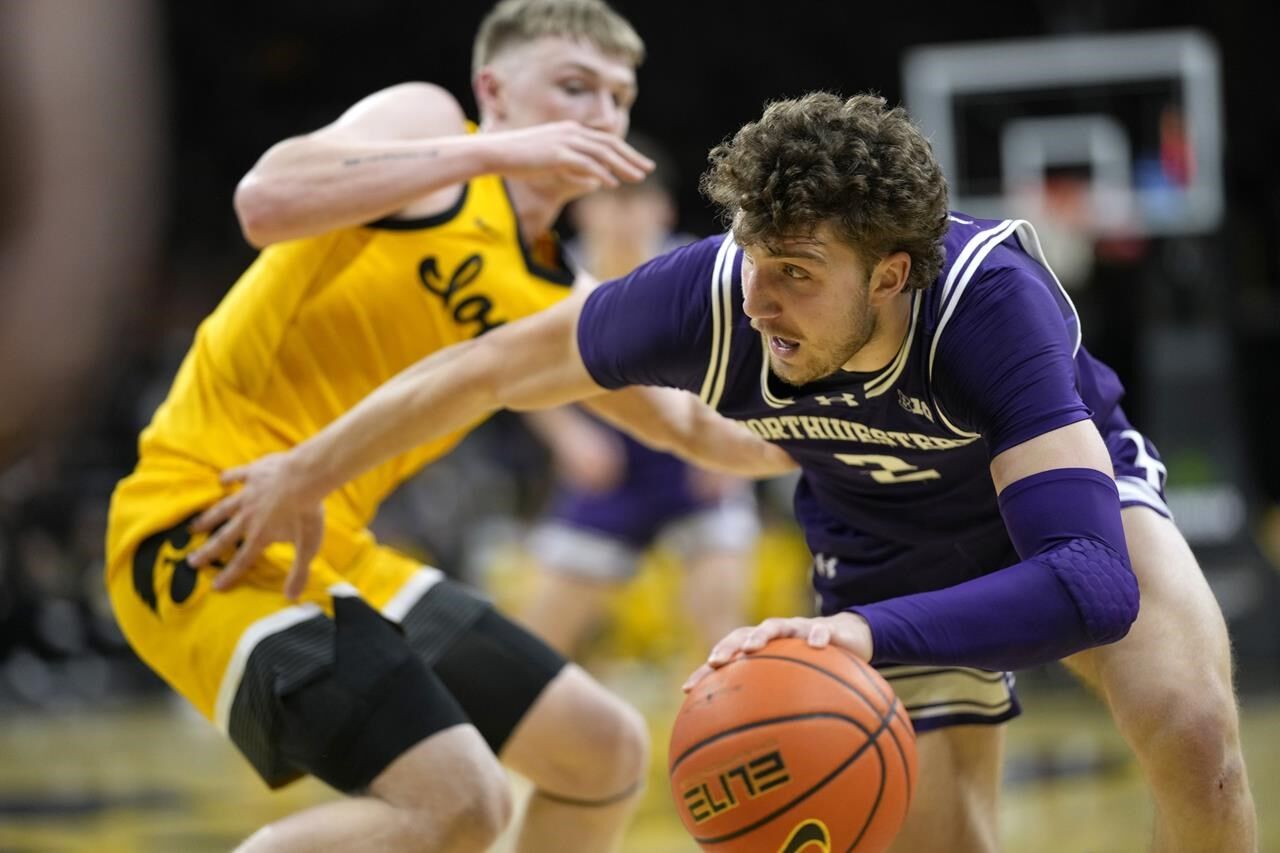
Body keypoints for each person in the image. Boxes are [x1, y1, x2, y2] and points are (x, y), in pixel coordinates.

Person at [187, 92, 1257, 852]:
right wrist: (303, 472)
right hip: (883, 548)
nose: (758, 301)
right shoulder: (708, 297)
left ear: (890, 273)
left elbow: (1087, 579)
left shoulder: (987, 305)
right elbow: (482, 369)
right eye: (752, 258)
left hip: (1054, 511)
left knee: (1192, 726)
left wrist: (858, 636)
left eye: (795, 274)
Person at [104, 2, 791, 851]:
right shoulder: (429, 130)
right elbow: (265, 199)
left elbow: (695, 430)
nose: (600, 114)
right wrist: (497, 150)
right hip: (207, 521)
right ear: (492, 90)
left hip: (338, 549)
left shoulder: (560, 301)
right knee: (461, 801)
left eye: (617, 97)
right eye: (574, 86)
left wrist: (858, 424)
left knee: (602, 750)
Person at [520, 139, 760, 658]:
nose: (624, 216)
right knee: (541, 637)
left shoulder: (700, 269)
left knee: (721, 626)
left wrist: (728, 446)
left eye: (637, 200)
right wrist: (569, 439)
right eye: (611, 200)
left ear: (663, 208)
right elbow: (510, 372)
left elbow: (745, 363)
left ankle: (741, 730)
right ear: (584, 210)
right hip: (607, 457)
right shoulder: (553, 274)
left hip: (692, 452)